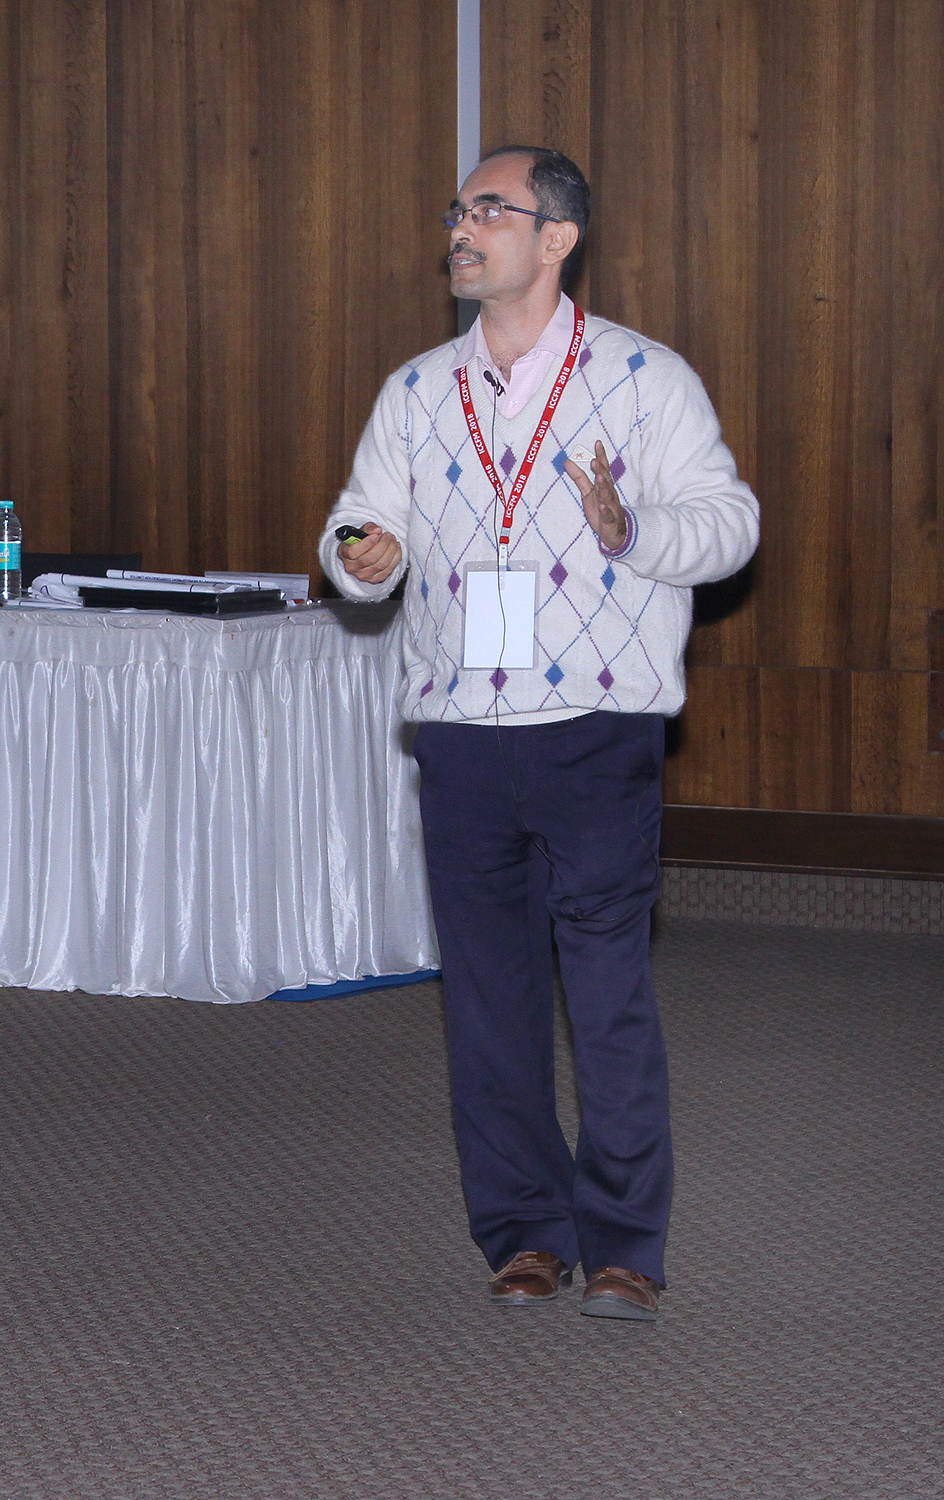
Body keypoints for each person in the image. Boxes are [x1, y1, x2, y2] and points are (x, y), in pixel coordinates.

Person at [318, 146, 758, 1321]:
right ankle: (523, 1230)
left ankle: (625, 1244)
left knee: (605, 988)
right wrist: (364, 556)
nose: (461, 232)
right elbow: (359, 527)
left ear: (556, 238)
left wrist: (633, 528)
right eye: (456, 212)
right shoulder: (419, 390)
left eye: (489, 211)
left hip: (597, 729)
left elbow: (728, 526)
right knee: (488, 996)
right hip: (462, 731)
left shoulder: (644, 379)